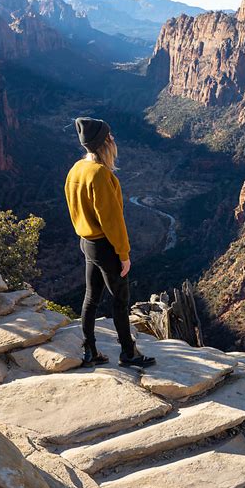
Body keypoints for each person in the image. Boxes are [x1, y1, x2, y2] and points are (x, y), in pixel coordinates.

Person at [64, 116, 156, 368]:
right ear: (104, 144)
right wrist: (123, 254)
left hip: (86, 242)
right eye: (110, 137)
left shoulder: (76, 170)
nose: (113, 140)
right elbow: (112, 221)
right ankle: (129, 353)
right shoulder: (100, 175)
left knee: (91, 296)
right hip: (105, 245)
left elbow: (75, 209)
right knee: (120, 299)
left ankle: (90, 349)